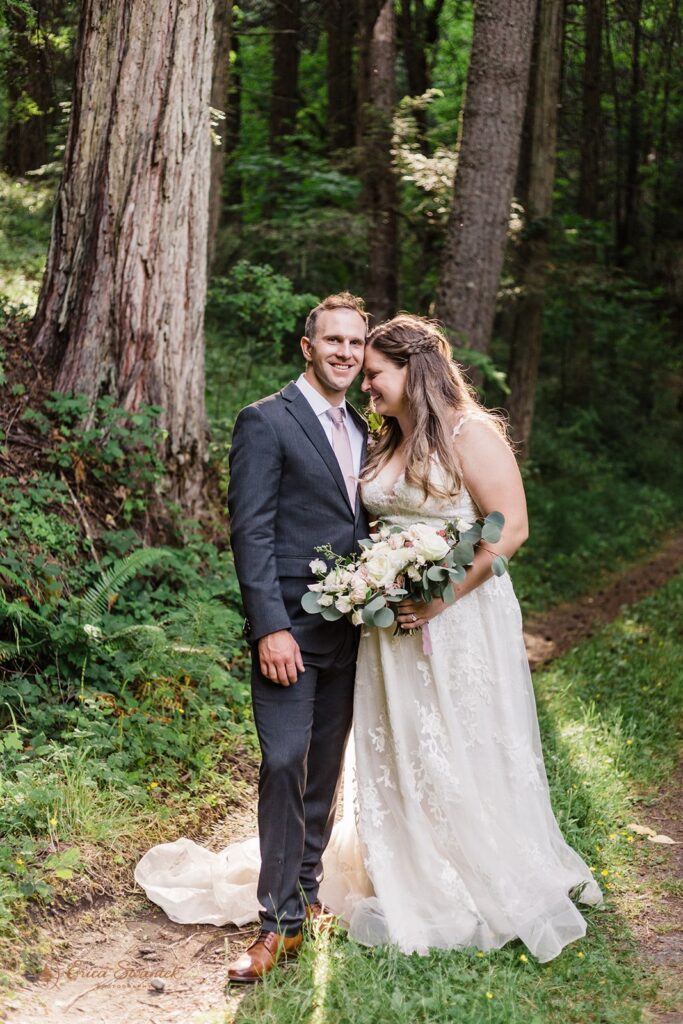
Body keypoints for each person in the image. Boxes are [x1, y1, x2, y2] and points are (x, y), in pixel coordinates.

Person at [135, 313, 602, 967]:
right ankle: (298, 910)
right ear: (308, 346)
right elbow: (267, 531)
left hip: (451, 621)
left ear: (411, 370)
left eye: (372, 365)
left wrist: (436, 591)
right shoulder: (346, 432)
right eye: (338, 344)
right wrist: (293, 614)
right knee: (371, 754)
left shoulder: (438, 432)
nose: (362, 376)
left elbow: (509, 527)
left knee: (452, 747)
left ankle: (450, 871)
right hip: (371, 631)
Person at [136, 292, 370, 983]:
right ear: (307, 346)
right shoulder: (265, 421)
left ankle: (306, 900)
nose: (345, 354)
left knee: (324, 773)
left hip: (351, 632)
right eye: (333, 341)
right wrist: (269, 625)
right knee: (283, 762)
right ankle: (274, 924)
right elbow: (252, 532)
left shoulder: (364, 428)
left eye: (355, 344)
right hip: (288, 633)